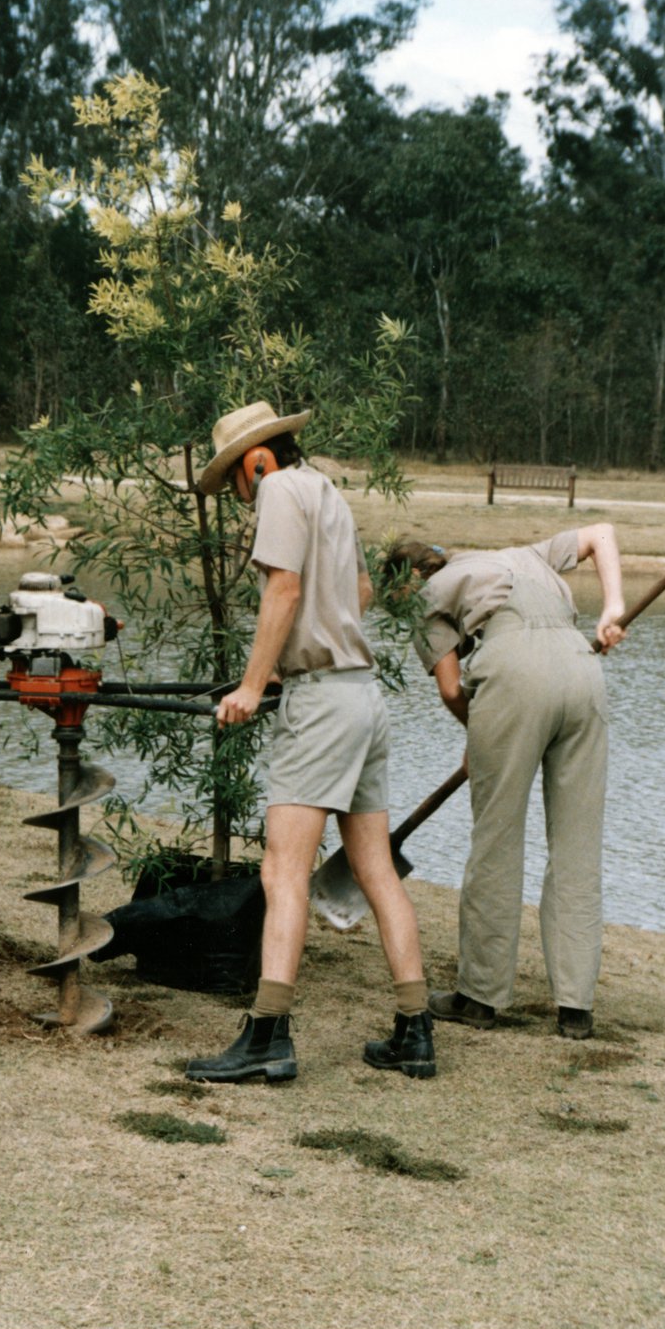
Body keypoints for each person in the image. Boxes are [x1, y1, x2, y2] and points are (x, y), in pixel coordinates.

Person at [185, 401, 436, 1083]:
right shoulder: (326, 492)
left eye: (235, 483)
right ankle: (415, 1030)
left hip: (322, 704)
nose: (240, 498)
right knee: (374, 868)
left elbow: (284, 590)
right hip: (361, 695)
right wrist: (304, 650)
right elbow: (358, 591)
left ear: (256, 460)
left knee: (283, 870)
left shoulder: (277, 490)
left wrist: (252, 683)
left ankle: (267, 1036)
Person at [383, 525, 626, 1040]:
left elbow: (452, 689)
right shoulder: (521, 552)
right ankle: (576, 1008)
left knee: (497, 838)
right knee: (578, 844)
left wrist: (481, 732)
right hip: (583, 674)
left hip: (513, 677)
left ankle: (479, 996)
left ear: (407, 581)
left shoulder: (423, 597)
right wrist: (613, 608)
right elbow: (602, 534)